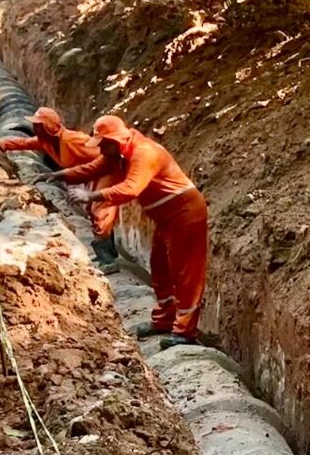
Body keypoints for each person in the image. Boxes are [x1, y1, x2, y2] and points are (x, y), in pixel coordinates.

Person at [51, 114, 208, 345]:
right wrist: (59, 175)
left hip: (185, 214)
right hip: (165, 219)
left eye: (103, 145)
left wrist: (92, 195)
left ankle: (185, 332)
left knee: (185, 274)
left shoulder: (144, 153)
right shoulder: (117, 154)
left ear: (115, 141)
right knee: (160, 268)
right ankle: (164, 320)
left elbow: (131, 188)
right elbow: (93, 168)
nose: (100, 150)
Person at [0, 108, 121, 268]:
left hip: (106, 172)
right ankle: (108, 251)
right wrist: (0, 143)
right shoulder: (47, 141)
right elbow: (25, 142)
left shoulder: (73, 140)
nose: (35, 129)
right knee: (93, 212)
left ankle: (108, 261)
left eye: (38, 125)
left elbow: (103, 153)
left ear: (49, 127)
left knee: (100, 211)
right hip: (89, 175)